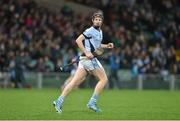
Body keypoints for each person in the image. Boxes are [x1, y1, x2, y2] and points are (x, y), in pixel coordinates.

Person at [53, 11, 114, 113]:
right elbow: (78, 40)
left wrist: (106, 45)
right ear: (92, 21)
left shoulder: (100, 31)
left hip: (84, 60)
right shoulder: (90, 30)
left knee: (73, 83)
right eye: (96, 20)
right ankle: (92, 103)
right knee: (104, 79)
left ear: (102, 21)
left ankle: (58, 101)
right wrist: (86, 51)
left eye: (100, 20)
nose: (98, 21)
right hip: (89, 59)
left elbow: (97, 45)